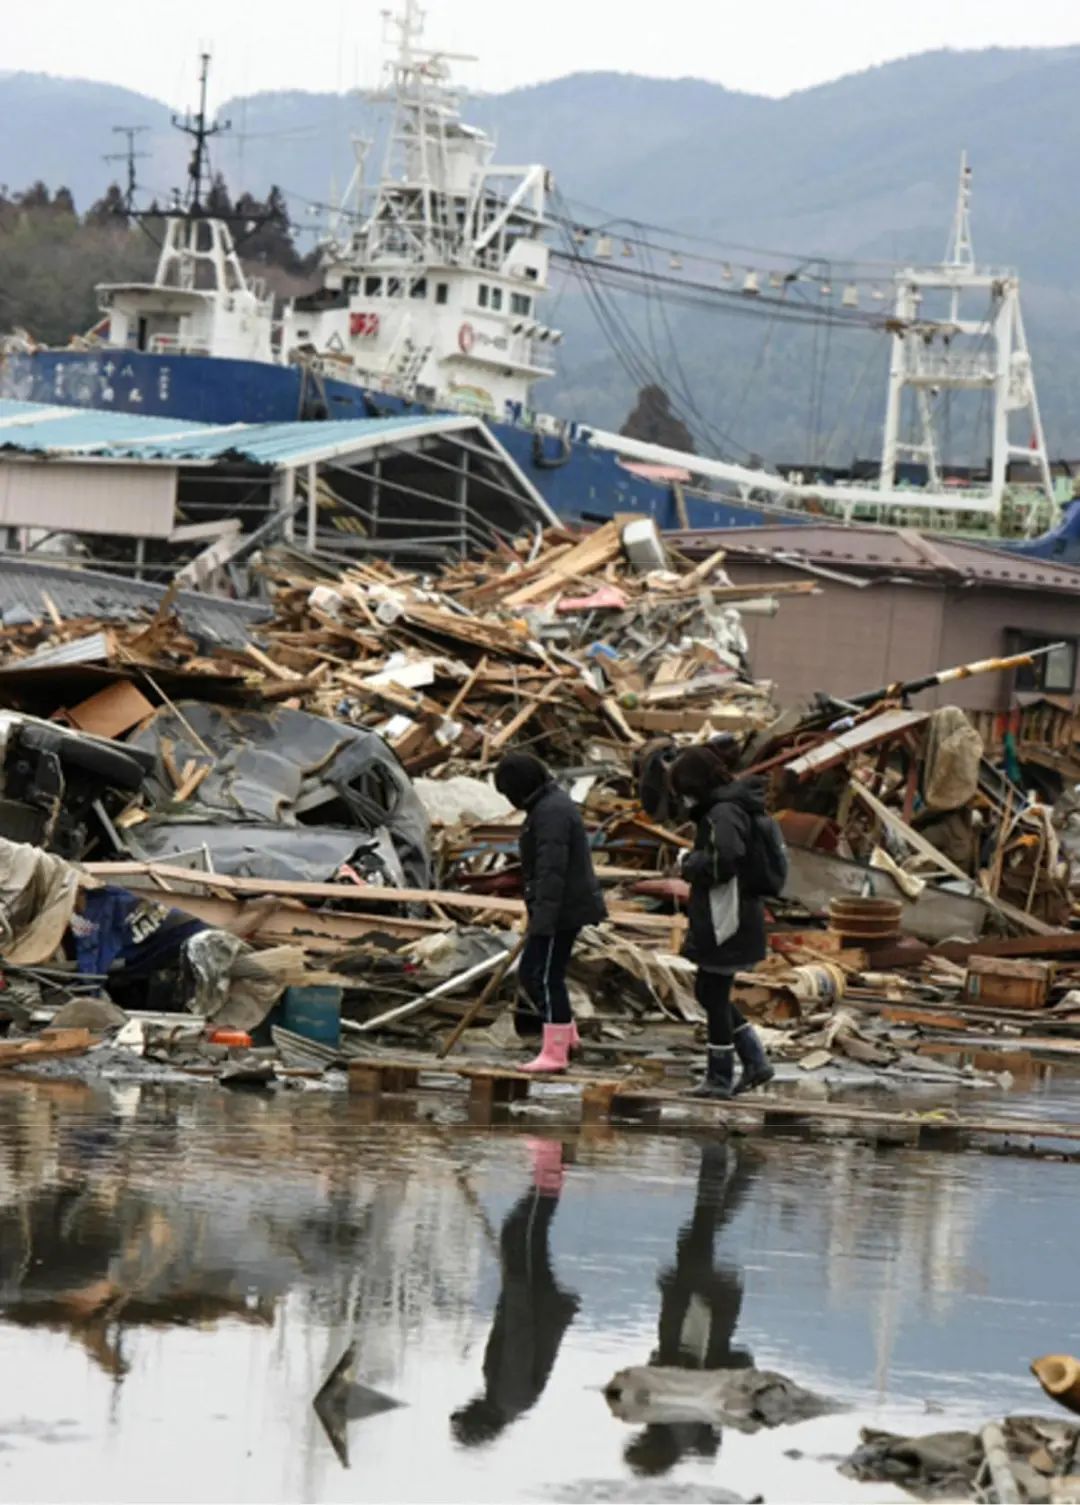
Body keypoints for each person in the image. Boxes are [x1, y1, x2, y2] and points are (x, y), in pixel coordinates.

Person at [623, 1141, 755, 1477]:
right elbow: (666, 1360)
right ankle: (717, 1158)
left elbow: (740, 1361)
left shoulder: (689, 1423)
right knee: (699, 1229)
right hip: (701, 1302)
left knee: (698, 1232)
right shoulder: (670, 1412)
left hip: (707, 1305)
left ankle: (744, 1168)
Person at [450, 1139, 579, 1446]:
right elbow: (519, 1336)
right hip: (532, 1300)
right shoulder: (510, 1395)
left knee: (522, 1230)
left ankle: (551, 1162)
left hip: (533, 1301)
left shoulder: (505, 1401)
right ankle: (551, 1160)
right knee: (524, 1229)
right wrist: (516, 1286)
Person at [670, 738, 775, 1099]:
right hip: (733, 912)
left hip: (726, 915)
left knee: (712, 994)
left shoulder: (722, 813)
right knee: (710, 991)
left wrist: (690, 864)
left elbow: (724, 859)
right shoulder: (731, 806)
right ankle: (754, 1060)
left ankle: (719, 1076)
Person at [493, 752, 606, 1074]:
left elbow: (551, 871)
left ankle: (555, 1053)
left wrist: (543, 919)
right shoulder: (548, 805)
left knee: (538, 974)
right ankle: (567, 1037)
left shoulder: (551, 813)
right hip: (560, 907)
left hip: (561, 909)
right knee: (546, 974)